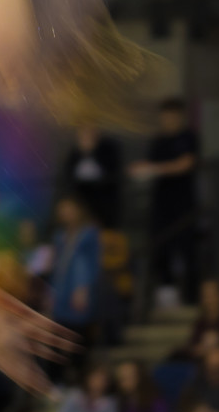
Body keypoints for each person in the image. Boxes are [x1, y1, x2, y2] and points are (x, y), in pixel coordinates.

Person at [131, 98, 200, 308]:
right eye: (165, 116)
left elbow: (185, 164)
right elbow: (147, 166)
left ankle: (191, 296)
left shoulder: (188, 137)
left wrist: (154, 169)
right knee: (162, 249)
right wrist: (142, 170)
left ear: (180, 116)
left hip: (184, 204)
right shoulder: (158, 142)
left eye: (172, 116)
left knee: (187, 248)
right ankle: (167, 297)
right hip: (161, 205)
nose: (168, 120)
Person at [49, 195, 103, 352]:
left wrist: (82, 288)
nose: (66, 214)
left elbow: (88, 263)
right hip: (61, 286)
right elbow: (56, 265)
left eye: (69, 209)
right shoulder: (60, 236)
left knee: (78, 331)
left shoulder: (89, 233)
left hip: (80, 288)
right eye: (62, 210)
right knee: (60, 332)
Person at [62, 126, 123, 229]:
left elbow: (112, 175)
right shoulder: (74, 154)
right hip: (81, 201)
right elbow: (68, 177)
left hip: (104, 203)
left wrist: (92, 151)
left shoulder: (108, 151)